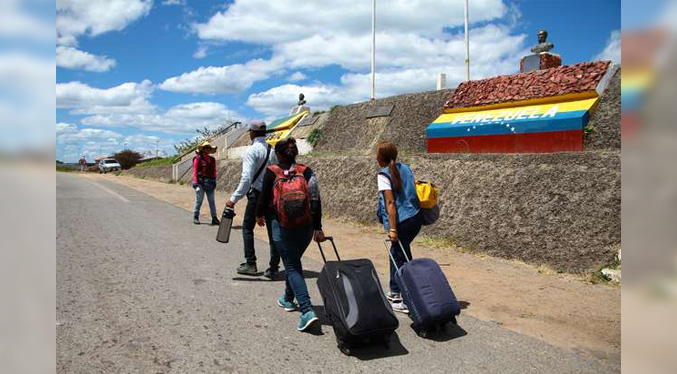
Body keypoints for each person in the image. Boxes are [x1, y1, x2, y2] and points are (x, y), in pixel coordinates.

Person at [255, 137, 326, 331]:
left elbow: (262, 200)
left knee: (293, 267)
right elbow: (316, 200)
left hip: (282, 226)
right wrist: (318, 227)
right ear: (295, 153)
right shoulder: (306, 171)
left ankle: (307, 310)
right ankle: (287, 298)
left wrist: (259, 216)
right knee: (292, 261)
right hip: (306, 226)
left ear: (277, 154)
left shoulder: (271, 173)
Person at [225, 120, 280, 279]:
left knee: (247, 228)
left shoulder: (251, 151)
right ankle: (274, 268)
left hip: (256, 195)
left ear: (253, 133)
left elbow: (246, 179)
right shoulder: (272, 150)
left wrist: (234, 199)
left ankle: (251, 263)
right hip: (271, 195)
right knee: (273, 232)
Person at [376, 141, 422, 314]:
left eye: (377, 154)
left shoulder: (383, 175)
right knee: (399, 253)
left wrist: (393, 228)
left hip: (401, 222)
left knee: (399, 256)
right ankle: (396, 290)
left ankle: (399, 295)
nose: (376, 157)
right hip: (415, 218)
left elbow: (390, 203)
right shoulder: (406, 168)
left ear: (381, 157)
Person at [192, 141, 219, 226]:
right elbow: (195, 171)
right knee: (199, 200)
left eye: (209, 147)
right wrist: (195, 182)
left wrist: (214, 180)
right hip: (200, 182)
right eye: (206, 147)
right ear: (203, 149)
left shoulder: (212, 159)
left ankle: (214, 218)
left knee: (211, 201)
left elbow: (214, 171)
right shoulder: (198, 159)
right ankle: (196, 216)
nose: (208, 149)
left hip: (210, 182)